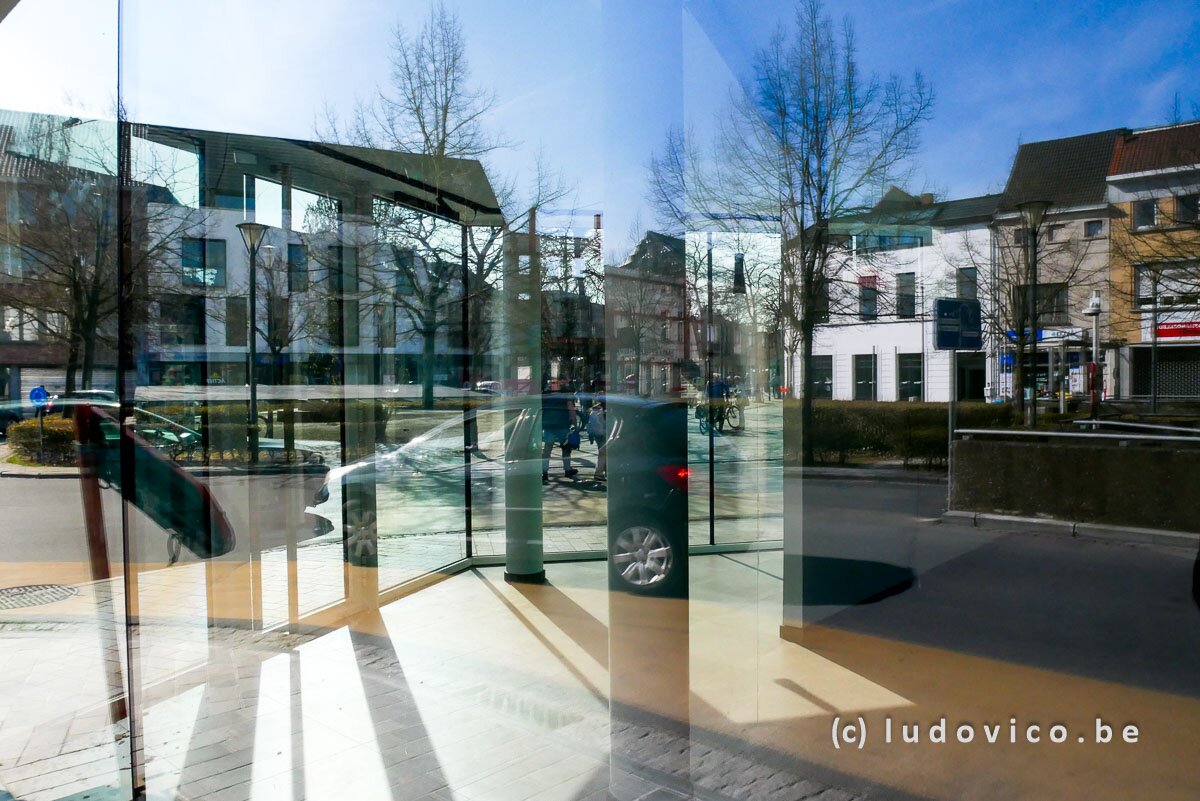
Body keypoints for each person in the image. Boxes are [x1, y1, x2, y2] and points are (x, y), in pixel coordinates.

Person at [541, 382, 578, 482]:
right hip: (562, 425)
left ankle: (544, 472)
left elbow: (541, 410)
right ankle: (567, 469)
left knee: (547, 449)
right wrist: (575, 425)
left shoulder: (546, 396)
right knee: (566, 448)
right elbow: (571, 410)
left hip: (549, 426)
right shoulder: (565, 396)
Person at [588, 395, 607, 480]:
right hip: (604, 434)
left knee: (602, 452)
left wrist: (590, 435)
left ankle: (603, 471)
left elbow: (590, 424)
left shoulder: (593, 411)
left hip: (597, 434)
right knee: (603, 453)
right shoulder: (605, 411)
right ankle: (599, 472)